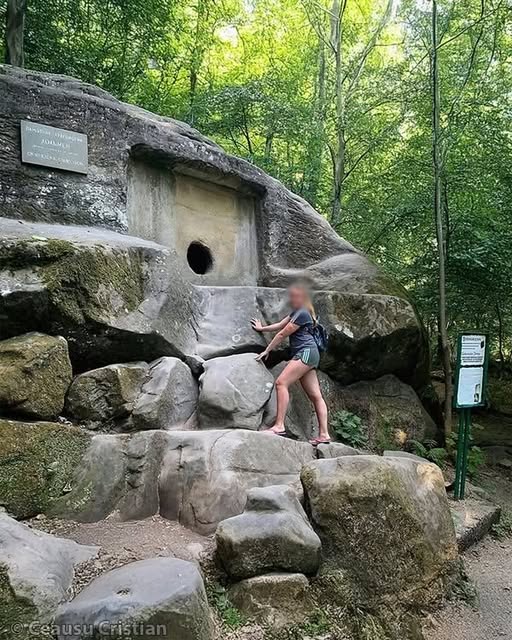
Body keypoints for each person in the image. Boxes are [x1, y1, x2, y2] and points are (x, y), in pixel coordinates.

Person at [251, 283, 330, 444]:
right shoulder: (298, 312)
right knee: (315, 396)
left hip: (306, 352)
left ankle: (279, 426)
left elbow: (282, 334)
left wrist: (267, 351)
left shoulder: (302, 313)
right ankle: (324, 435)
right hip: (310, 354)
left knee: (281, 383)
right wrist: (262, 328)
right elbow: (280, 325)